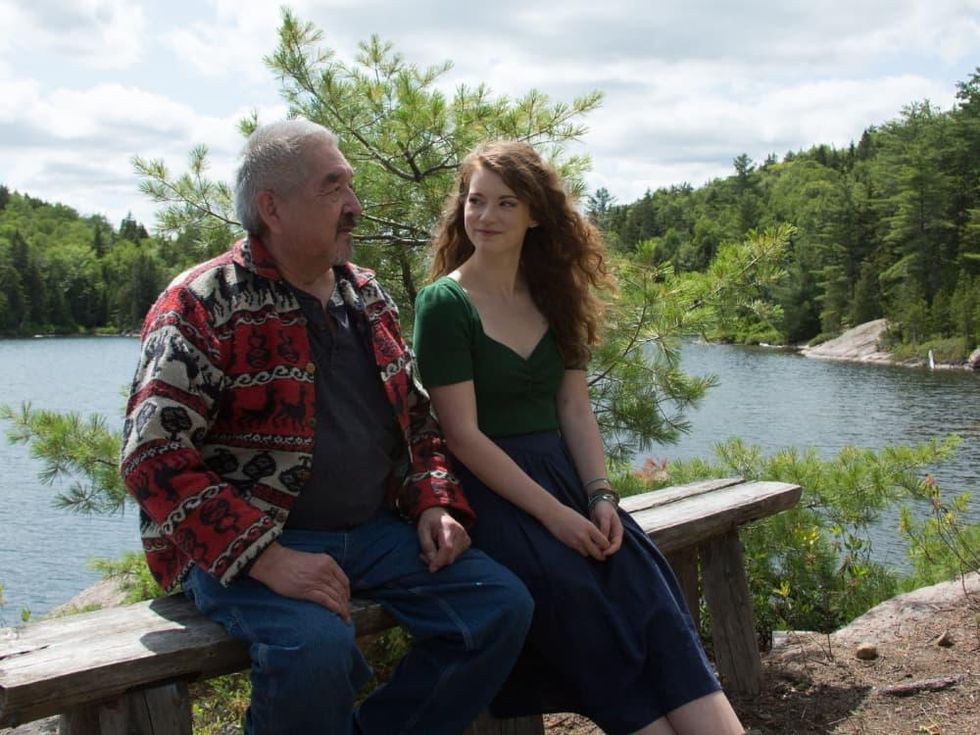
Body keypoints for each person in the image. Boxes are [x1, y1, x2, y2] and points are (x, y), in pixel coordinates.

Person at [120, 120, 533, 735]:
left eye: (351, 187)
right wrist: (265, 556)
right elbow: (151, 457)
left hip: (372, 534)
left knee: (499, 608)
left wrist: (432, 504)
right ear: (272, 208)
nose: (355, 207)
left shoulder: (364, 295)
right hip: (251, 548)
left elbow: (418, 423)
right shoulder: (201, 303)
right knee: (314, 646)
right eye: (333, 188)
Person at [412, 141, 746, 735]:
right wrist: (556, 518)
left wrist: (599, 496)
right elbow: (462, 436)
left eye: (505, 203)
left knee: (647, 595)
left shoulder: (553, 297)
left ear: (536, 214)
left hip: (565, 479)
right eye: (475, 201)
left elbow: (574, 407)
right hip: (497, 493)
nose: (484, 217)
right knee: (582, 605)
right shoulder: (444, 304)